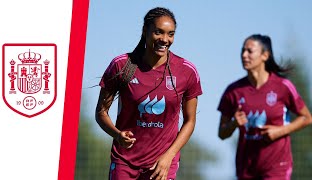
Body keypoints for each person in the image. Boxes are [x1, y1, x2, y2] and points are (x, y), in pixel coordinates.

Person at [95, 7, 202, 180]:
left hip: (161, 164)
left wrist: (168, 158)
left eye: (170, 34)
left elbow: (190, 121)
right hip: (124, 161)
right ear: (145, 31)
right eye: (158, 32)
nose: (165, 39)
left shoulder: (186, 71)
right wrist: (117, 135)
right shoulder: (122, 65)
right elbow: (101, 112)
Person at [217, 34, 312, 180]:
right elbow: (222, 133)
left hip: (277, 167)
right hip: (246, 168)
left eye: (250, 51)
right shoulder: (233, 91)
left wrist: (280, 131)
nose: (244, 55)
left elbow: (306, 118)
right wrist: (233, 124)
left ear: (265, 55)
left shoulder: (283, 86)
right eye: (242, 50)